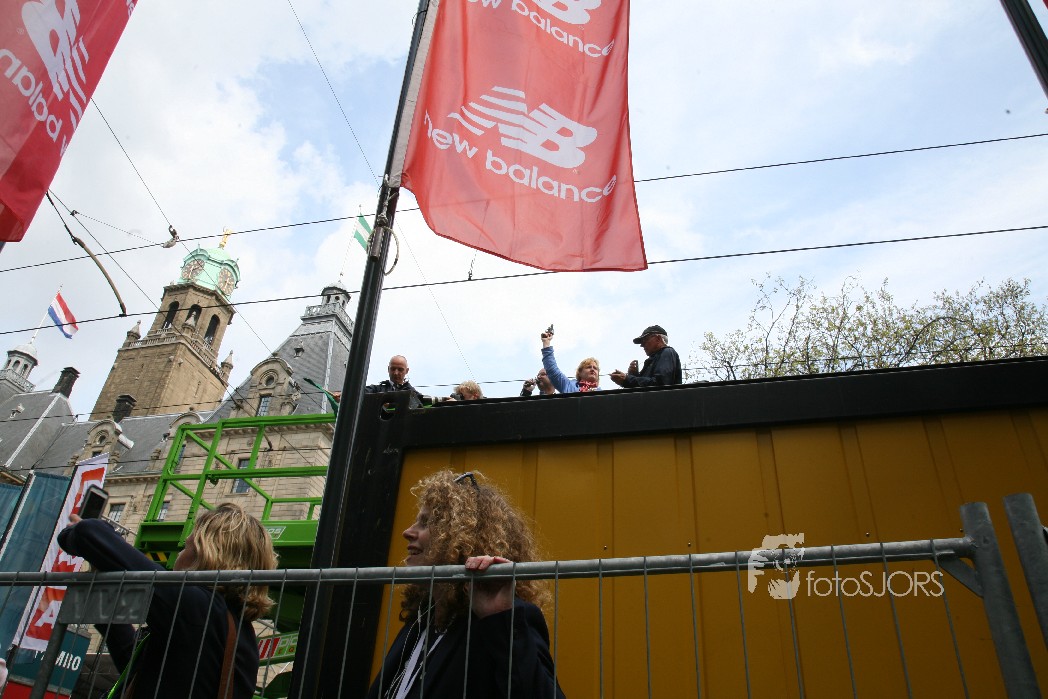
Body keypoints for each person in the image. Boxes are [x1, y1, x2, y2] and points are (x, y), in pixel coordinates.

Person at [367, 470, 565, 699]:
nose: (407, 532)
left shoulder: (500, 620)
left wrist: (499, 617)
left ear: (462, 538)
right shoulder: (422, 620)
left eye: (426, 522)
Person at [58, 503, 278, 699]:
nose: (179, 555)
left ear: (206, 553)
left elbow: (90, 533)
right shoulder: (232, 627)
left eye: (186, 546)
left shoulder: (198, 607)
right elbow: (138, 664)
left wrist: (72, 533)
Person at [610, 324, 683, 388]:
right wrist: (634, 376)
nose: (642, 345)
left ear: (658, 339)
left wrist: (627, 379)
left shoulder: (667, 352)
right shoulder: (655, 359)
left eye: (645, 340)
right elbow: (645, 389)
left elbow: (660, 384)